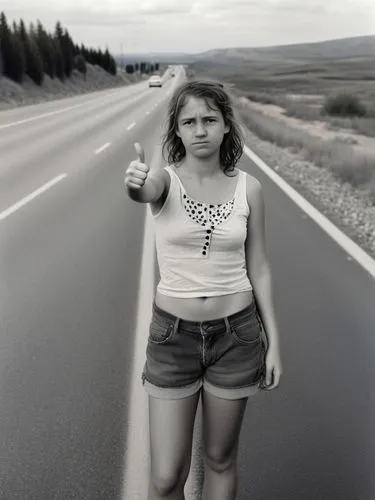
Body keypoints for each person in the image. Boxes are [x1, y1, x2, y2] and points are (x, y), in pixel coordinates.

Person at [124, 80, 282, 500]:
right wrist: (134, 181)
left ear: (226, 126)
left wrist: (275, 344)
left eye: (210, 120)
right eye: (189, 121)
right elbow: (143, 191)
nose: (200, 130)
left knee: (220, 459)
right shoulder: (165, 182)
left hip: (237, 337)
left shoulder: (250, 189)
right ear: (176, 130)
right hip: (173, 340)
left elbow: (260, 267)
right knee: (165, 478)